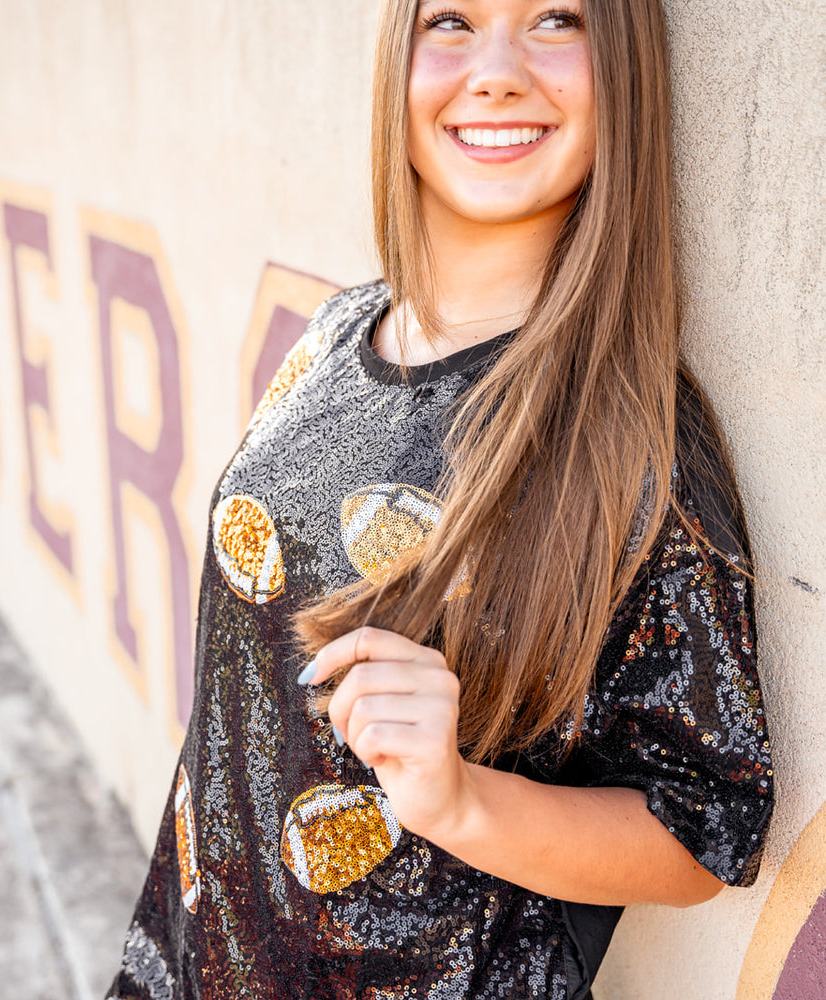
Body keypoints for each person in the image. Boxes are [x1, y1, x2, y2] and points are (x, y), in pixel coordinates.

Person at [106, 1, 773, 997]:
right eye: (451, 20)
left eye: (555, 20)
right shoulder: (336, 328)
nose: (496, 70)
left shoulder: (634, 440)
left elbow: (703, 827)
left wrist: (462, 801)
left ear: (623, 71)